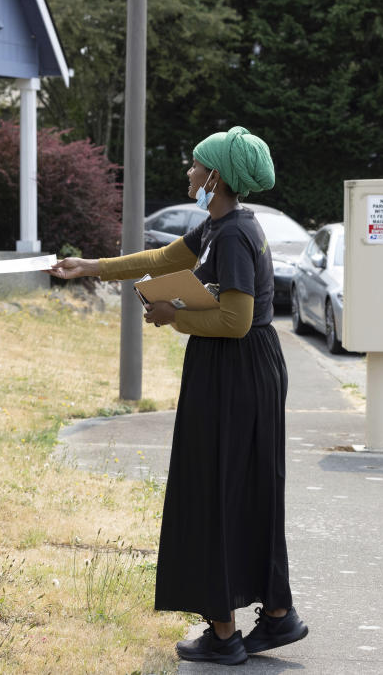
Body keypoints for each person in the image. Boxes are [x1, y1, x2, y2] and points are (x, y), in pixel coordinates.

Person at [49, 126, 307, 665]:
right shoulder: (223, 225)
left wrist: (175, 315)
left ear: (215, 177)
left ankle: (223, 633)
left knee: (214, 490)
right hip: (245, 371)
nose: (188, 171)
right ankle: (278, 618)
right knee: (250, 489)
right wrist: (93, 267)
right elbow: (165, 259)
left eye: (195, 165)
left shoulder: (233, 235)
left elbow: (235, 321)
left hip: (235, 370)